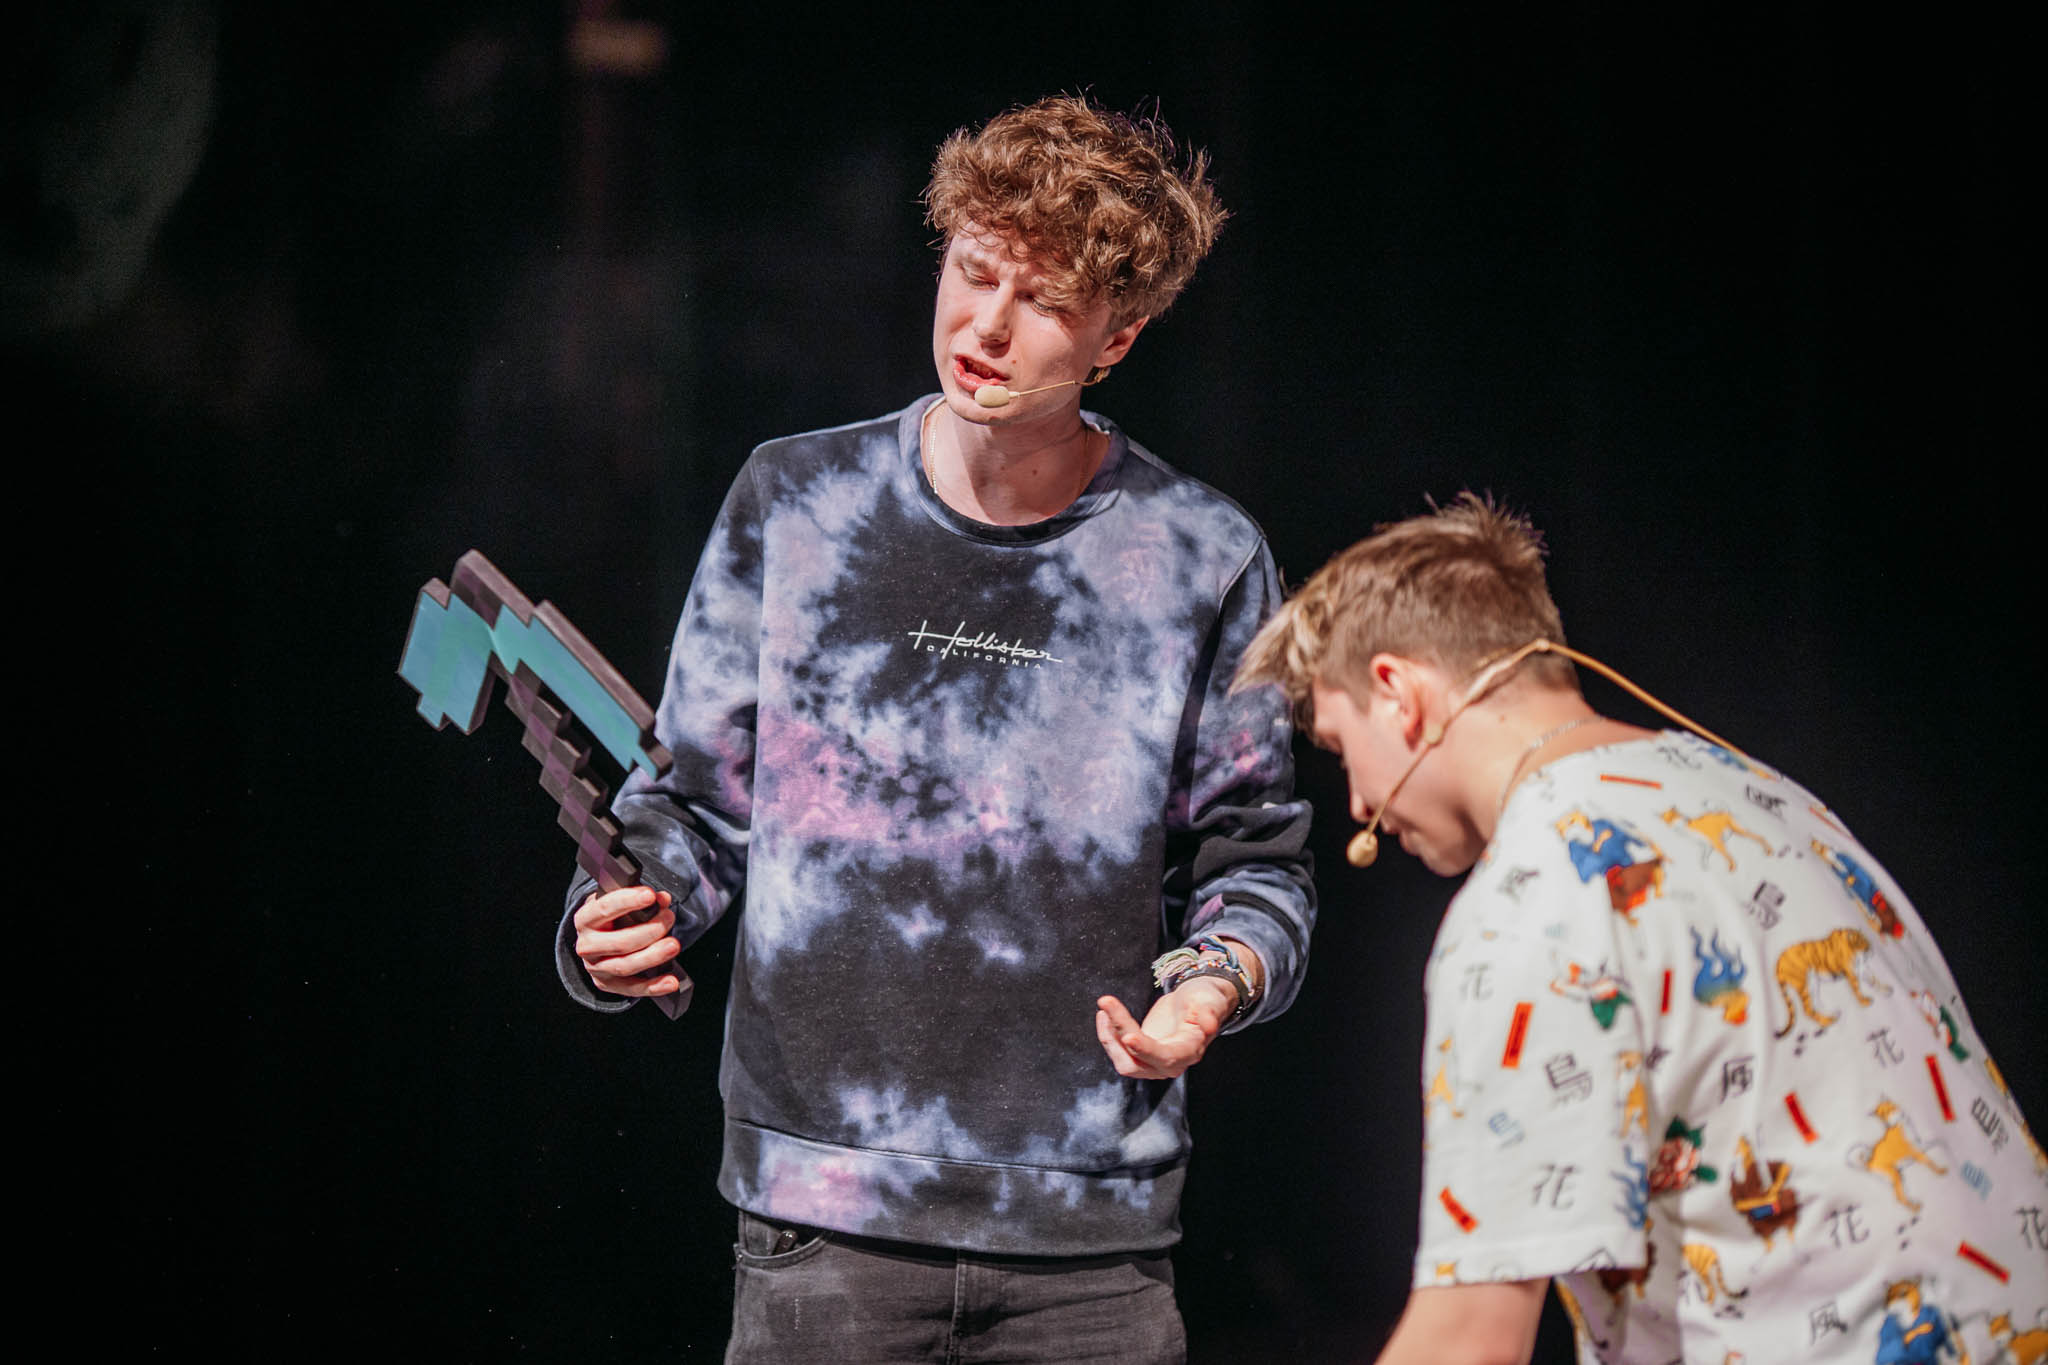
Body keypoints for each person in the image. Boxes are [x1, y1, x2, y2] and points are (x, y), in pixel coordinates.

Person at [556, 96, 1315, 1364]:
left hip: (1087, 1238)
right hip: (822, 1218)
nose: (985, 326)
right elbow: (690, 805)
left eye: (1042, 299)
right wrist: (622, 915)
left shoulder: (1198, 555)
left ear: (1119, 336)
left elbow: (1257, 866)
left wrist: (1212, 983)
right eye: (971, 272)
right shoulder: (795, 501)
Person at [1235, 494, 2045, 1364]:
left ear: (1399, 694)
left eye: (1339, 746)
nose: (1359, 801)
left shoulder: (1534, 898)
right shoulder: (1760, 796)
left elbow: (1470, 1340)